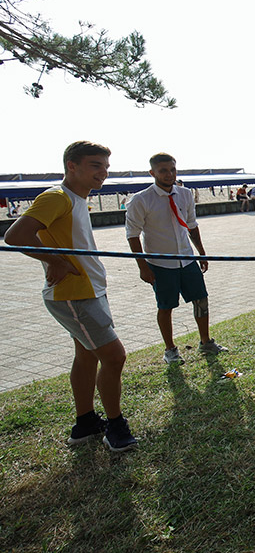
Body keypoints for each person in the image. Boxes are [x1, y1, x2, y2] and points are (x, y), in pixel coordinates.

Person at [3, 141, 137, 452]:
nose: (103, 172)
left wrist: (58, 259)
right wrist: (56, 261)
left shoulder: (76, 199)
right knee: (114, 357)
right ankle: (115, 427)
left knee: (87, 355)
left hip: (89, 290)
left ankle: (85, 423)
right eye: (95, 165)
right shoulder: (57, 197)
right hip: (75, 295)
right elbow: (15, 235)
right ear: (71, 166)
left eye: (106, 167)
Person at [125, 153, 229, 365]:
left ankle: (206, 341)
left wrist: (201, 252)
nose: (169, 174)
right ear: (152, 173)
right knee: (166, 306)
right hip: (161, 264)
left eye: (172, 169)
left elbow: (191, 225)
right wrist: (143, 267)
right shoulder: (141, 200)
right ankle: (170, 349)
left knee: (201, 299)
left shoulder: (185, 194)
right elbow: (132, 235)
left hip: (187, 259)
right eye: (163, 170)